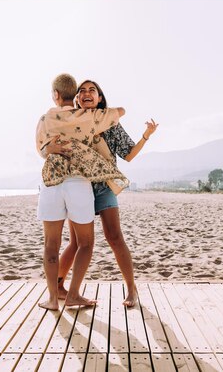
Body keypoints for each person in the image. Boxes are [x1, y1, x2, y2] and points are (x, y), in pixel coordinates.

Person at [48, 80, 158, 307]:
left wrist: (146, 135)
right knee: (76, 243)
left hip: (104, 186)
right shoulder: (73, 120)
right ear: (76, 98)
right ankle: (58, 287)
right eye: (82, 91)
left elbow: (128, 154)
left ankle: (131, 289)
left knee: (114, 237)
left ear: (99, 98)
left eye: (92, 91)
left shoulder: (110, 123)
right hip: (79, 185)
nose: (87, 94)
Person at [35, 74, 128, 311]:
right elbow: (121, 111)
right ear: (75, 95)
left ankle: (53, 299)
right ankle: (74, 294)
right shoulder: (88, 117)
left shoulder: (45, 119)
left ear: (56, 95)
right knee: (85, 242)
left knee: (51, 245)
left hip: (52, 181)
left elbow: (41, 149)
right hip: (78, 183)